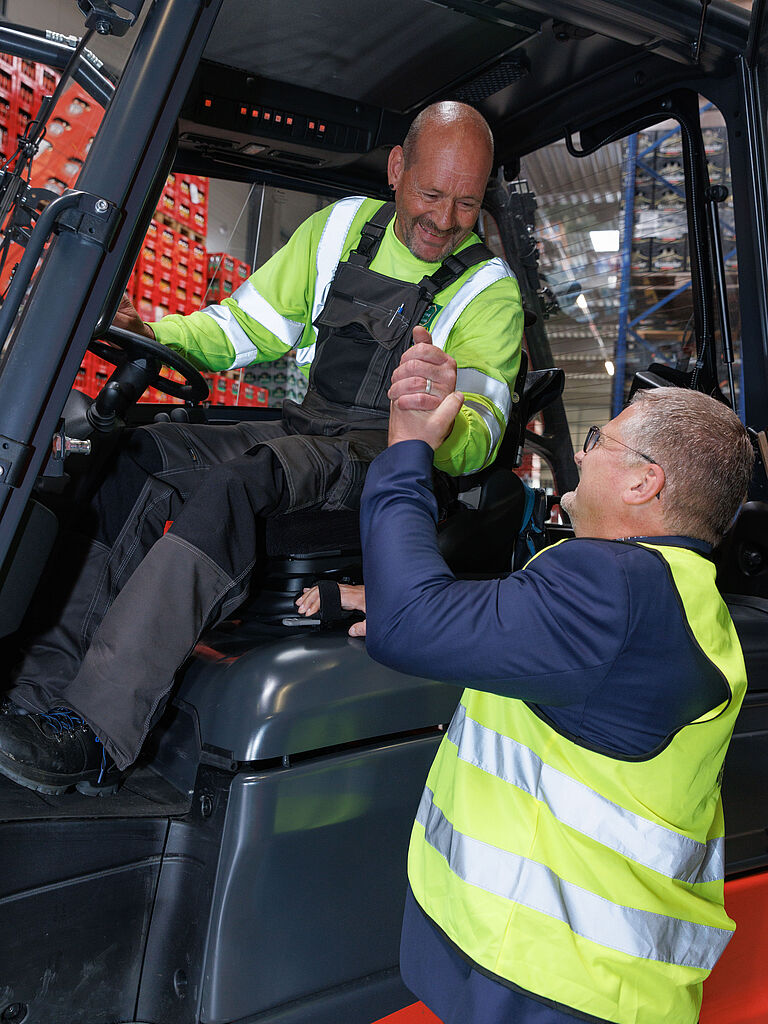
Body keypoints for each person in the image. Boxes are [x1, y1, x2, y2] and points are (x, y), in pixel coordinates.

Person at [0, 101, 523, 794]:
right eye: (430, 194)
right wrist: (158, 335)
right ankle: (40, 693)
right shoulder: (338, 228)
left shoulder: (491, 291)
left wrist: (436, 413)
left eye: (466, 202)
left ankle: (99, 732)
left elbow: (481, 435)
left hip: (395, 456)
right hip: (308, 424)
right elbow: (245, 328)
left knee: (242, 481)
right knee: (136, 455)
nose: (445, 219)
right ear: (398, 169)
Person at [359, 377, 754, 1024]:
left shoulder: (619, 590)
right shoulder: (662, 590)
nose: (585, 452)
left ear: (642, 483)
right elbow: (518, 628)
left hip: (560, 984)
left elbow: (410, 627)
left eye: (601, 440)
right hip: (574, 973)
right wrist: (421, 599)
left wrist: (407, 452)